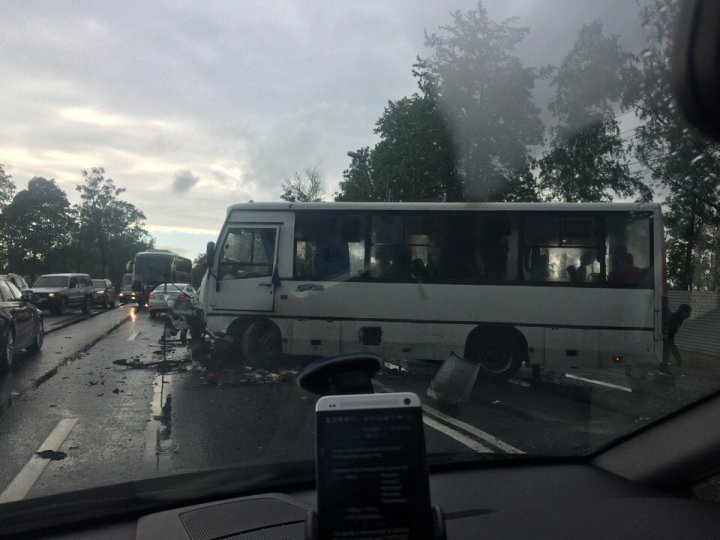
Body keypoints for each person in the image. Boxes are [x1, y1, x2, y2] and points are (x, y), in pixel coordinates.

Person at [659, 304, 692, 373]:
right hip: (666, 333)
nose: (689, 314)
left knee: (669, 348)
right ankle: (663, 367)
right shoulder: (674, 317)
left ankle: (675, 361)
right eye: (688, 312)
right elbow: (668, 326)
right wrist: (665, 335)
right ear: (683, 311)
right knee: (667, 350)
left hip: (670, 333)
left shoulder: (680, 317)